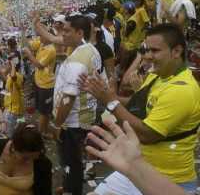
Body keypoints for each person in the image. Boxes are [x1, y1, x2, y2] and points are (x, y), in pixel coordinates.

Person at [80, 23, 200, 194]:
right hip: (138, 167)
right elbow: (136, 102)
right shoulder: (158, 75)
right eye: (146, 50)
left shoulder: (181, 90)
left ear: (176, 51)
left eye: (155, 51)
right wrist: (107, 95)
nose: (149, 56)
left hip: (167, 180)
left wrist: (111, 103)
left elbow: (146, 134)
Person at [51, 15, 102, 195]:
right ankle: (69, 186)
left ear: (80, 33)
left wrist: (57, 124)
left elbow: (68, 98)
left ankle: (70, 190)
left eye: (66, 31)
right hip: (82, 118)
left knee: (71, 163)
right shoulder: (90, 50)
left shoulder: (76, 61)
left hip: (72, 123)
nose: (62, 34)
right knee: (75, 162)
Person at [86, 119, 187, 195]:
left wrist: (113, 103)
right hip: (140, 170)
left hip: (172, 174)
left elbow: (148, 134)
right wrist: (134, 164)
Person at [0, 123, 52, 195]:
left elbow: (44, 192)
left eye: (34, 157)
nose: (30, 160)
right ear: (13, 148)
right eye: (25, 158)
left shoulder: (42, 163)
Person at [23, 18, 56, 135]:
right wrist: (23, 31)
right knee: (43, 110)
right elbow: (29, 44)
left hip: (46, 85)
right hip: (39, 82)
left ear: (48, 36)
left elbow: (39, 65)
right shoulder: (42, 43)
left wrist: (29, 54)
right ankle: (44, 131)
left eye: (42, 35)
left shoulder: (51, 49)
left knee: (44, 111)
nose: (40, 37)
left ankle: (41, 133)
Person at [2, 59, 24, 137]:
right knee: (8, 128)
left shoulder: (17, 76)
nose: (4, 65)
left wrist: (12, 64)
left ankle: (11, 144)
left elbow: (13, 77)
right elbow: (9, 85)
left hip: (14, 109)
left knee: (10, 132)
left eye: (6, 64)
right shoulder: (9, 76)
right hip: (10, 107)